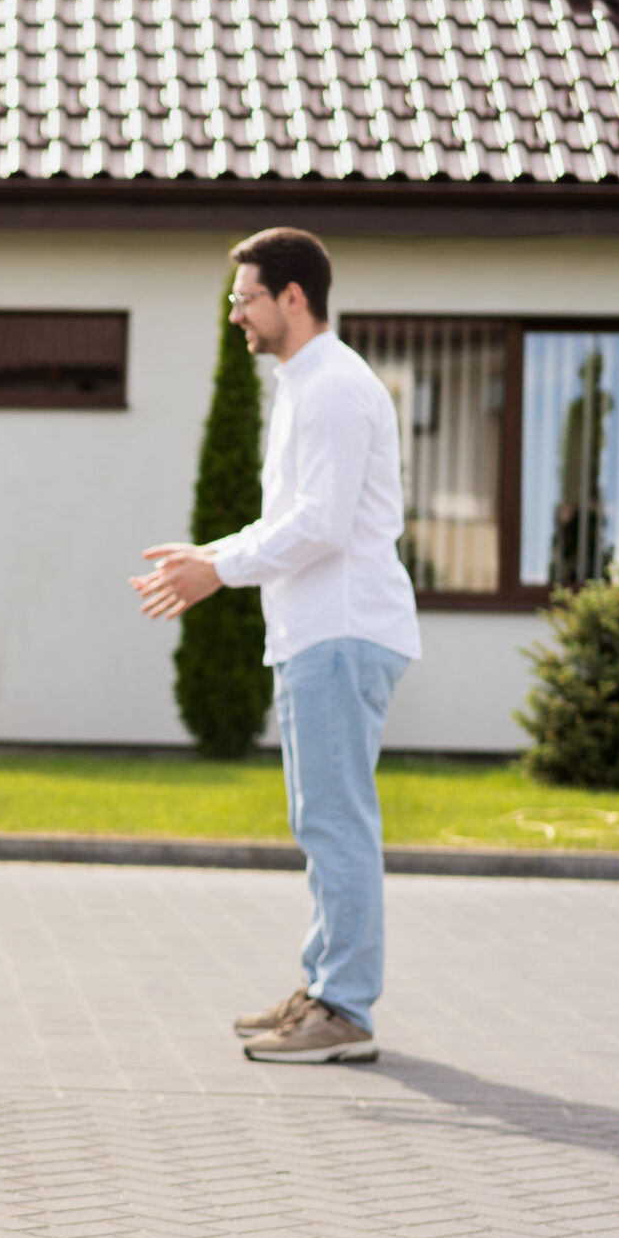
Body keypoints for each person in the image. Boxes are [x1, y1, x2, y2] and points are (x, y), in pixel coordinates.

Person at [131, 227, 421, 1066]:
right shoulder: (306, 384)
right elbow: (286, 520)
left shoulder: (331, 386)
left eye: (245, 297)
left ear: (294, 297)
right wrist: (209, 558)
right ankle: (325, 989)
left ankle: (345, 1009)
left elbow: (321, 526)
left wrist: (219, 573)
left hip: (340, 632)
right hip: (319, 634)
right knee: (322, 819)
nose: (235, 314)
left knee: (337, 823)